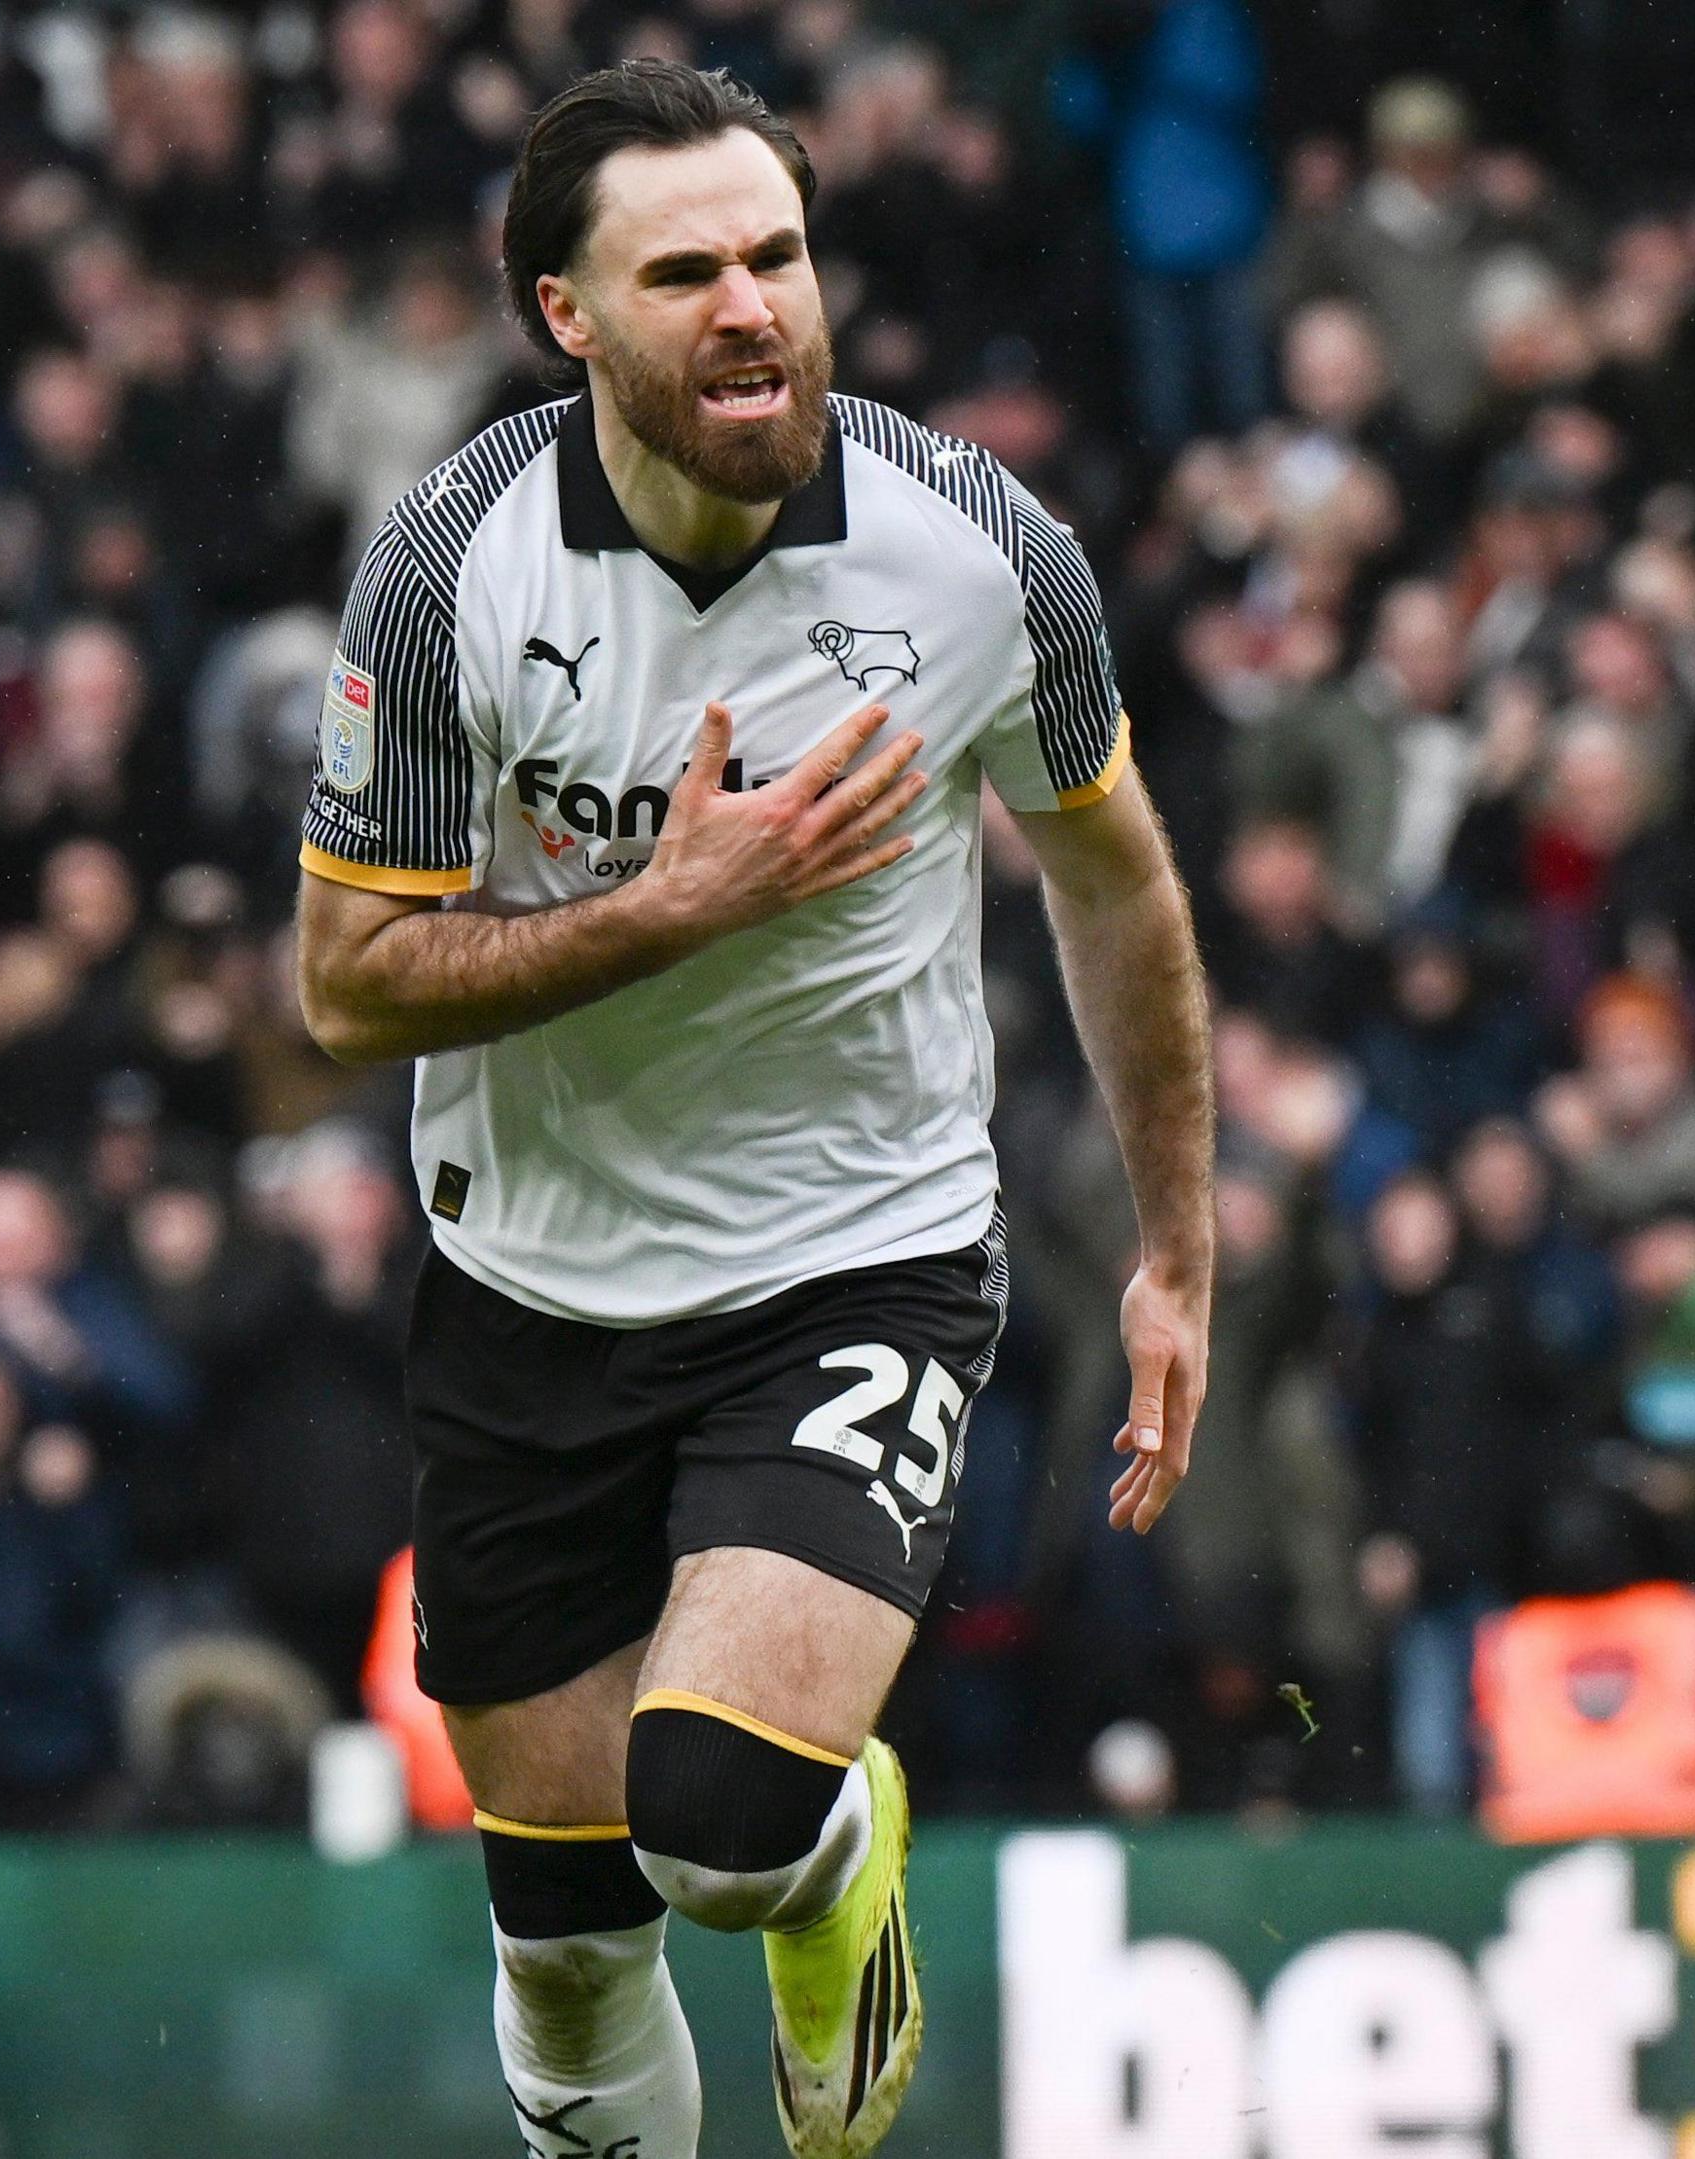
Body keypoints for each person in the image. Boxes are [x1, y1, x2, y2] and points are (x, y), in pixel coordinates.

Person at [291, 63, 1213, 2159]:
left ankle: (827, 1860)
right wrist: (668, 905)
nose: (751, 309)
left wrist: (1178, 1243)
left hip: (851, 1260)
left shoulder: (980, 550)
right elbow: (347, 982)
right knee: (569, 1942)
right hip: (528, 1281)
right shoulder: (453, 566)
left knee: (710, 1821)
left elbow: (1116, 877)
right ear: (567, 317)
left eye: (779, 258)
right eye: (685, 269)